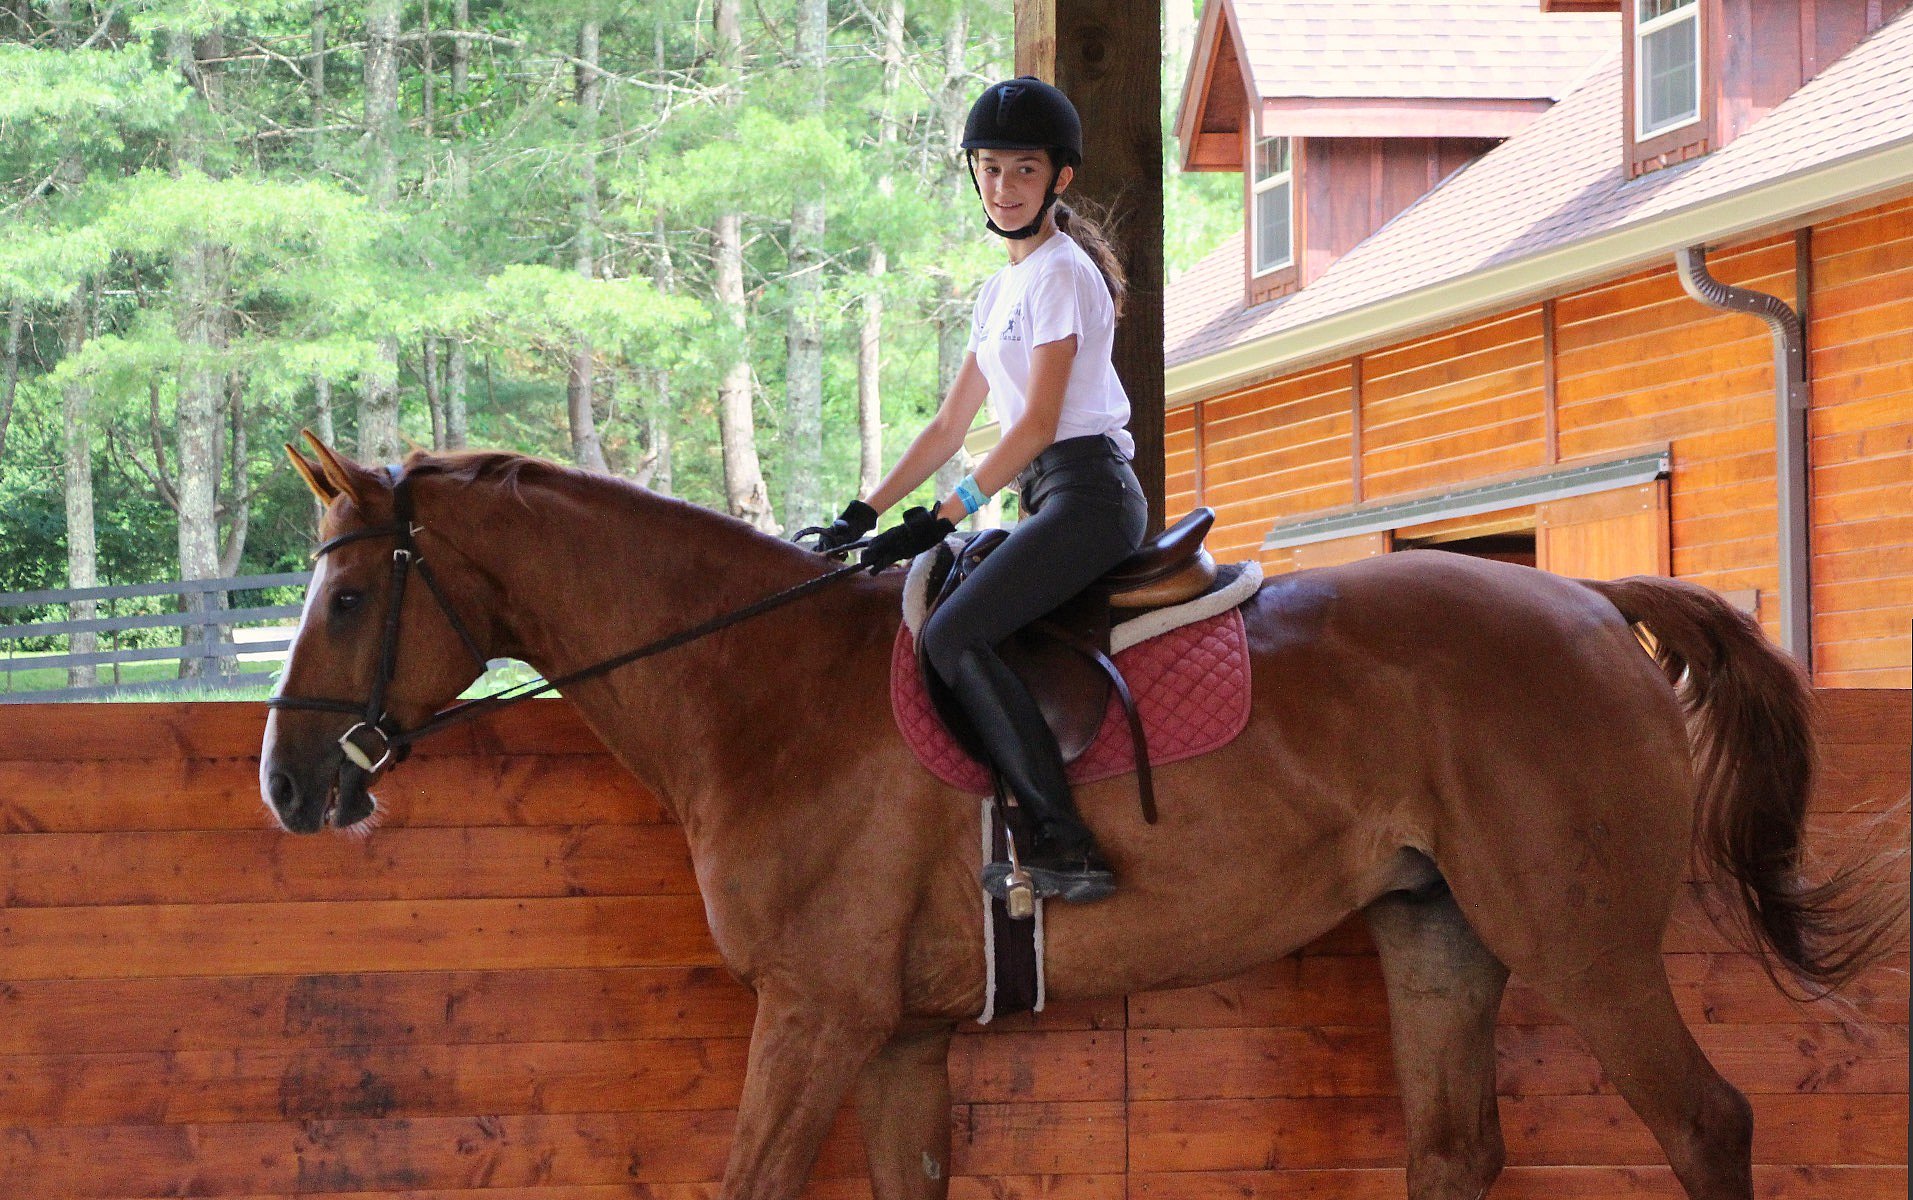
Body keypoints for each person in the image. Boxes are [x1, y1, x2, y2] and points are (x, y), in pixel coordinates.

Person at [812, 76, 1146, 904]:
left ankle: (1064, 845)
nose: (1003, 189)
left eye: (1023, 171)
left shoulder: (1064, 274)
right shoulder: (1000, 291)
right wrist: (862, 512)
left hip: (1089, 493)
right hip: (1044, 493)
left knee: (953, 637)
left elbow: (1032, 425)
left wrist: (939, 518)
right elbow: (946, 428)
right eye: (990, 169)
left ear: (1059, 178)